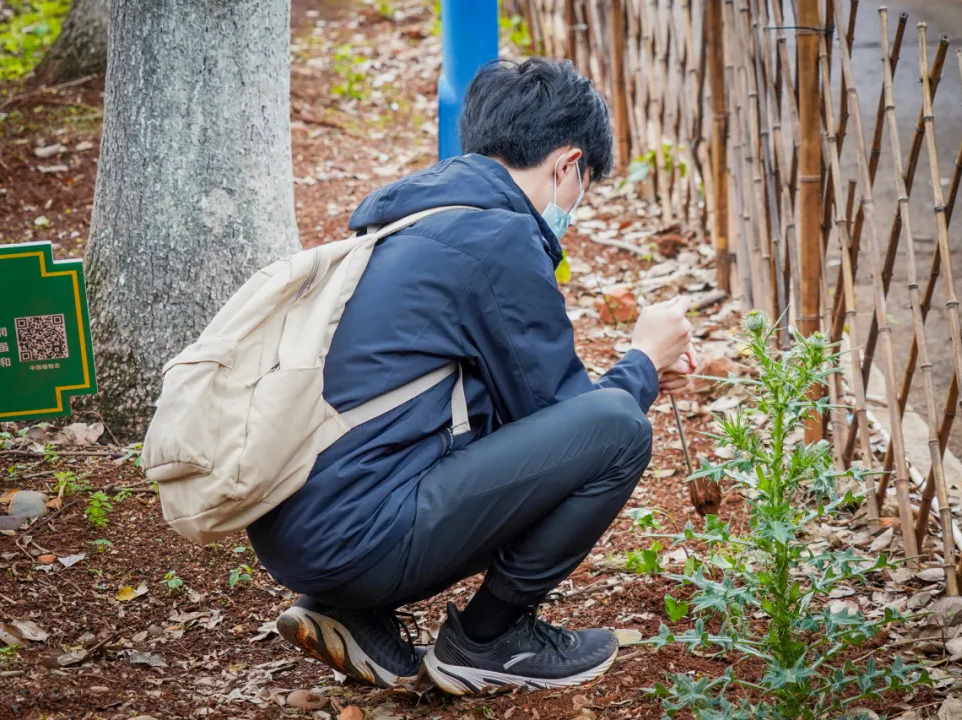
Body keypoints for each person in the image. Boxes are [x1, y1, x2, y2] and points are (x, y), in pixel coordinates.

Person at [247, 57, 695, 695]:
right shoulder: (498, 237)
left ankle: (351, 613)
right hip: (356, 536)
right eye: (583, 186)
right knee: (621, 429)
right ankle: (492, 638)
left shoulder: (419, 221)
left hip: (303, 531)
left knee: (593, 419)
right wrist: (643, 363)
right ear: (568, 165)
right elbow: (569, 428)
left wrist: (639, 372)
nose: (575, 206)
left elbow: (521, 419)